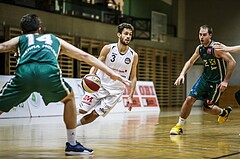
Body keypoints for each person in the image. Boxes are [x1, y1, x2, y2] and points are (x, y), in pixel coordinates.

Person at [0, 14, 130, 155]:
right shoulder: (53, 39)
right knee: (69, 98)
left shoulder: (20, 39)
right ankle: (72, 144)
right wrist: (111, 73)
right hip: (48, 72)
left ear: (22, 32)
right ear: (40, 29)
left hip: (24, 74)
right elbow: (85, 56)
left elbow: (2, 46)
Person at [170, 25, 236, 135]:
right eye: (200, 34)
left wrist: (225, 81)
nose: (201, 37)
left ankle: (223, 112)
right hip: (204, 79)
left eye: (204, 35)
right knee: (189, 99)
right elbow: (190, 62)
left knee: (207, 108)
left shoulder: (216, 48)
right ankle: (179, 126)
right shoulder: (199, 48)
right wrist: (182, 74)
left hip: (216, 82)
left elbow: (232, 62)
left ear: (210, 35)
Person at [77, 23, 138, 128]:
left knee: (96, 114)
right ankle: (68, 117)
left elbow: (133, 77)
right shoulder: (108, 48)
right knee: (82, 110)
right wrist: (90, 76)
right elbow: (96, 64)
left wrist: (130, 97)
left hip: (115, 92)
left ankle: (73, 126)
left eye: (130, 34)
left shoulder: (133, 55)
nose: (128, 36)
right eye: (126, 34)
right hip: (99, 86)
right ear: (119, 35)